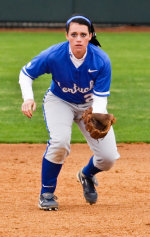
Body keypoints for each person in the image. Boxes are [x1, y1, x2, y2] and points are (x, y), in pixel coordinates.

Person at [19, 15, 120, 211]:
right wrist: (28, 98)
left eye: (83, 34)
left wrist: (97, 116)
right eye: (74, 34)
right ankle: (46, 193)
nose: (78, 39)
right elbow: (26, 73)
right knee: (60, 142)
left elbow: (100, 98)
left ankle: (86, 175)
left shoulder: (100, 60)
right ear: (67, 36)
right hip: (59, 101)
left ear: (90, 36)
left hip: (90, 106)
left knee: (108, 158)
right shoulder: (54, 55)